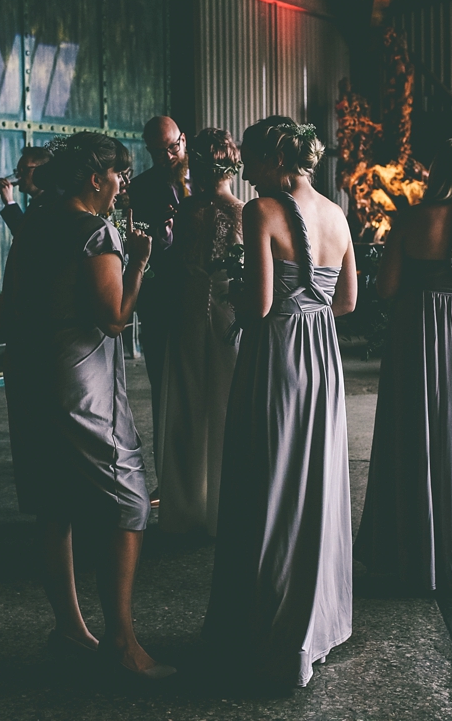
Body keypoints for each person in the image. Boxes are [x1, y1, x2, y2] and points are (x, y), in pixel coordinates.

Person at [7, 132, 173, 680]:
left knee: (55, 500)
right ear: (94, 178)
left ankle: (71, 630)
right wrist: (141, 262)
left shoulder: (33, 222)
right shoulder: (94, 231)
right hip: (78, 374)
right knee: (128, 498)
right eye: (118, 176)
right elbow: (114, 318)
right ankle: (122, 643)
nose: (122, 185)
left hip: (31, 368)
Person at [203, 118, 358, 688]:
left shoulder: (260, 212)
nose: (244, 168)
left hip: (279, 356)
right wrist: (309, 308)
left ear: (273, 159)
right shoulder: (338, 215)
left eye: (250, 158)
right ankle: (317, 622)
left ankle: (267, 623)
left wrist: (233, 295)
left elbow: (262, 304)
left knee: (269, 477)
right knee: (314, 481)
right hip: (323, 357)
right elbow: (347, 300)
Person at [354, 138, 452, 592]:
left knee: (413, 429)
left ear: (435, 174)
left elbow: (385, 286)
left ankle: (409, 550)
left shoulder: (410, 221)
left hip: (416, 327)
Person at [154, 128, 244, 536]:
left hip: (189, 310)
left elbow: (173, 267)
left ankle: (187, 506)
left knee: (187, 406)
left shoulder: (187, 211)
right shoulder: (244, 210)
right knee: (228, 405)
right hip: (228, 311)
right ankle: (228, 506)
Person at [129, 116, 190, 439]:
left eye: (172, 148)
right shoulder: (139, 188)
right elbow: (133, 249)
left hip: (204, 303)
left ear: (183, 139)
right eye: (157, 153)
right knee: (164, 391)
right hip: (160, 305)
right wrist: (161, 237)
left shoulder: (209, 180)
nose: (167, 157)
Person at [0, 146, 53, 236]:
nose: (19, 176)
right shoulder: (37, 202)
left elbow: (26, 236)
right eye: (18, 171)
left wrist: (9, 203)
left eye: (24, 170)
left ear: (42, 171)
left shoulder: (53, 203)